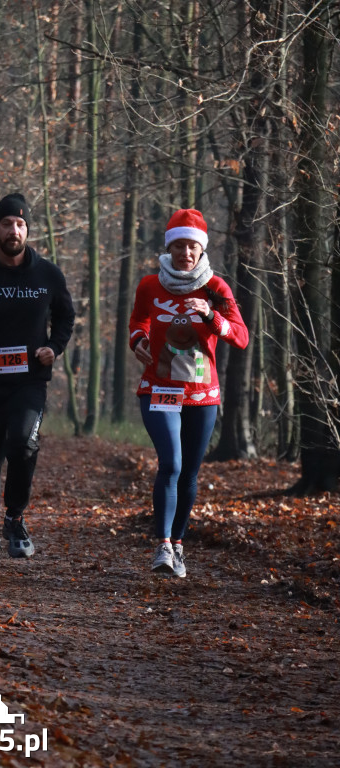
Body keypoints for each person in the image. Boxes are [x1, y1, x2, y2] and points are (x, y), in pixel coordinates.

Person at [0, 193, 75, 567]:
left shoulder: (47, 273)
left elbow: (66, 317)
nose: (14, 230)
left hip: (29, 380)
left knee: (23, 444)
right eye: (7, 224)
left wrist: (55, 346)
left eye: (20, 224)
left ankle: (15, 518)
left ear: (27, 231)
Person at [129, 209, 249, 577]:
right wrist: (138, 338)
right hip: (159, 388)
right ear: (169, 248)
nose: (185, 253)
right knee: (171, 464)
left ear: (201, 250)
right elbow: (139, 320)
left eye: (192, 246)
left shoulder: (217, 288)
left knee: (189, 473)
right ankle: (162, 546)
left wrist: (211, 316)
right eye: (179, 245)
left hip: (202, 395)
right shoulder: (151, 285)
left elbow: (241, 337)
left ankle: (178, 545)